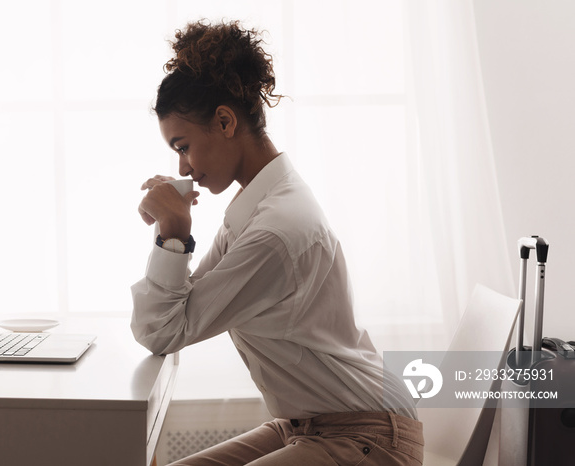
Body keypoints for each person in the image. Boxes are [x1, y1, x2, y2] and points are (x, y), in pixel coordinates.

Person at [131, 19, 423, 466]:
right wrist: (172, 230)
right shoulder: (257, 206)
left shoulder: (273, 232)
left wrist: (174, 230)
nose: (184, 168)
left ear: (225, 121)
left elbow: (165, 331)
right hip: (313, 424)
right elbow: (172, 318)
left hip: (368, 436)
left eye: (184, 146)